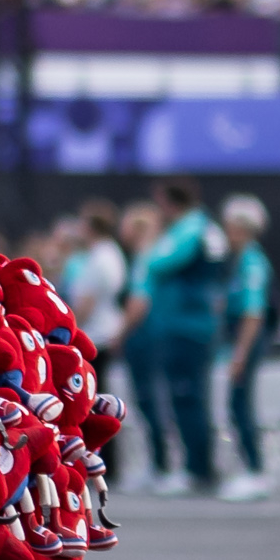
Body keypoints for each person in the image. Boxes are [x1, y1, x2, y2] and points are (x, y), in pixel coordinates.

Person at [119, 177, 227, 495]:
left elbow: (159, 261)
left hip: (187, 326)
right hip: (181, 325)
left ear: (169, 202)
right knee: (185, 398)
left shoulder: (193, 228)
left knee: (188, 397)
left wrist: (150, 249)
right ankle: (195, 467)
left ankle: (198, 470)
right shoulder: (193, 229)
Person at [214, 195, 277, 502]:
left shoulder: (251, 262)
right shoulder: (239, 261)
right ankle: (250, 467)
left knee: (241, 403)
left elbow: (253, 313)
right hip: (238, 337)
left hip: (247, 338)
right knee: (237, 403)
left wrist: (240, 354)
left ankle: (256, 470)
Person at [58, 202, 132, 375]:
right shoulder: (111, 252)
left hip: (96, 334)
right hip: (103, 328)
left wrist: (70, 331)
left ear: (91, 227)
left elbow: (88, 301)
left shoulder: (99, 258)